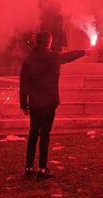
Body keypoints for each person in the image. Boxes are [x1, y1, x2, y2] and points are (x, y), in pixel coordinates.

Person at [19, 32, 87, 178]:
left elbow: (23, 84)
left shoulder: (28, 60)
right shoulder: (54, 58)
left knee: (32, 133)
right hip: (49, 102)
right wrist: (84, 52)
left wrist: (23, 104)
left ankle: (29, 167)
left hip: (35, 103)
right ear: (49, 42)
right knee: (45, 135)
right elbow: (69, 56)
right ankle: (43, 169)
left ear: (37, 41)